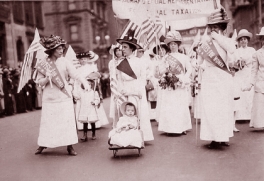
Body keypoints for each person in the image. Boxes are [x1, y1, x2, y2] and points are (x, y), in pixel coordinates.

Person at [35, 34, 90, 156]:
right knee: (48, 122)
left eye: (62, 48)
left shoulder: (65, 62)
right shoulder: (43, 63)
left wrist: (84, 82)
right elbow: (39, 82)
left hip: (64, 96)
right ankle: (43, 143)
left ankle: (69, 146)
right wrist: (46, 78)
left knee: (66, 121)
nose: (61, 51)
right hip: (49, 97)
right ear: (52, 50)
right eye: (59, 49)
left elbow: (75, 74)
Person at [197, 8, 236, 149]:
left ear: (222, 28)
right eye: (212, 28)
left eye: (216, 27)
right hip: (209, 78)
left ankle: (223, 136)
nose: (213, 30)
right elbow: (199, 62)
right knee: (211, 108)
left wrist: (217, 38)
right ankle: (213, 137)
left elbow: (232, 50)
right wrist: (198, 65)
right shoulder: (205, 44)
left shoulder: (226, 41)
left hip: (223, 78)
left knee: (223, 108)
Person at [116, 30, 154, 141]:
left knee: (139, 113)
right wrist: (121, 91)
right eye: (122, 47)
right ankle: (128, 137)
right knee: (126, 113)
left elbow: (142, 78)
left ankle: (141, 136)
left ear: (132, 49)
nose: (122, 49)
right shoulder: (120, 64)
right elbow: (119, 80)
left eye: (125, 47)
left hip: (137, 90)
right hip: (125, 91)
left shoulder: (140, 62)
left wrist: (138, 92)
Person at [154, 30, 192, 135]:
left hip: (180, 83)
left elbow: (189, 69)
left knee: (180, 106)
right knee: (169, 106)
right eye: (171, 44)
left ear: (178, 44)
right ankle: (169, 128)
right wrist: (161, 68)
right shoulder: (165, 57)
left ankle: (182, 127)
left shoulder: (184, 57)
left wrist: (183, 78)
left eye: (175, 44)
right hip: (169, 85)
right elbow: (160, 72)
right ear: (168, 45)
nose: (173, 46)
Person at [74, 51, 108, 130]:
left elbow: (96, 79)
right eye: (81, 59)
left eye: (85, 59)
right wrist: (75, 91)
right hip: (80, 89)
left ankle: (94, 124)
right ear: (79, 60)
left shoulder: (91, 68)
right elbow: (76, 81)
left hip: (90, 89)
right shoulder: (77, 70)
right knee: (81, 105)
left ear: (88, 59)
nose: (83, 61)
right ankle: (82, 125)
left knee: (91, 105)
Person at [233, 29, 256, 131]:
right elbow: (234, 62)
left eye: (245, 39)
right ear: (239, 41)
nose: (243, 41)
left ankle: (249, 116)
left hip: (249, 73)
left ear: (248, 40)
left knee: (249, 95)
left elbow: (254, 63)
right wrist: (238, 63)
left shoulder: (252, 50)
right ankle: (240, 116)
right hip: (239, 74)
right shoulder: (236, 51)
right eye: (241, 39)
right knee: (240, 94)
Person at [243, 27, 264, 129]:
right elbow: (254, 70)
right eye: (263, 38)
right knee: (260, 104)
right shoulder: (257, 54)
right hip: (260, 82)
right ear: (261, 40)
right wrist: (250, 84)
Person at [73, 77, 100, 141]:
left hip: (91, 108)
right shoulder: (81, 92)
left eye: (90, 84)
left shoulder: (94, 92)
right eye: (86, 84)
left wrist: (95, 102)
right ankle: (85, 135)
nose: (88, 86)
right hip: (84, 109)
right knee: (85, 123)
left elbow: (97, 99)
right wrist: (74, 91)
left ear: (91, 85)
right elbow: (77, 97)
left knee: (92, 122)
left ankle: (93, 134)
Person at [108, 45, 124, 127]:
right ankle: (117, 123)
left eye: (119, 50)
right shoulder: (112, 62)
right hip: (116, 83)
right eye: (116, 51)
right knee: (115, 103)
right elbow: (111, 74)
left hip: (123, 82)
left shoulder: (125, 60)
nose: (118, 52)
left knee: (123, 101)